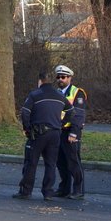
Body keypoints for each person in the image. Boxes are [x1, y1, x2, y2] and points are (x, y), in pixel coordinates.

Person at [14, 71, 73, 201]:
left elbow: (25, 112)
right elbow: (70, 111)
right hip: (55, 133)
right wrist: (61, 124)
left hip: (38, 133)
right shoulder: (59, 95)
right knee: (51, 163)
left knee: (31, 162)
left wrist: (27, 128)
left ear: (40, 80)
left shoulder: (35, 95)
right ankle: (48, 192)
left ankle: (26, 191)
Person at [54, 64, 87, 200]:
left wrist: (74, 132)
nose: (60, 79)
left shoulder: (77, 92)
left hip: (71, 132)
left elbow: (79, 115)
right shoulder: (56, 92)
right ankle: (64, 189)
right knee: (60, 162)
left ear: (70, 78)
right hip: (58, 131)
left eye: (63, 77)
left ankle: (78, 190)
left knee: (73, 161)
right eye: (58, 77)